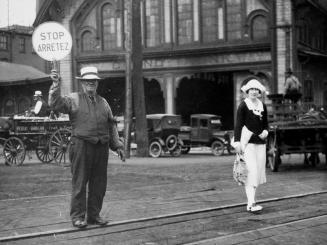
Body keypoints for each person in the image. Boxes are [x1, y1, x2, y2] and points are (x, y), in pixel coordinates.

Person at [48, 66, 125, 228]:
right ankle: (77, 217)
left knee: (99, 184)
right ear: (82, 83)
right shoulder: (73, 98)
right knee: (80, 183)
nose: (91, 84)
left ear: (97, 83)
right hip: (81, 146)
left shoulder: (104, 102)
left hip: (101, 148)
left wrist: (117, 146)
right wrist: (55, 85)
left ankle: (94, 216)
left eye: (94, 82)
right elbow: (55, 104)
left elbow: (110, 125)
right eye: (87, 81)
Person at [233, 78, 268, 213]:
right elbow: (238, 125)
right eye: (251, 89)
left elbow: (265, 124)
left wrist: (265, 132)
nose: (254, 92)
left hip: (260, 144)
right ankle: (251, 204)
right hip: (247, 144)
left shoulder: (262, 106)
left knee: (257, 173)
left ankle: (252, 202)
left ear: (259, 92)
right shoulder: (243, 105)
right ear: (247, 91)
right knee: (251, 172)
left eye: (256, 90)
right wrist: (236, 142)